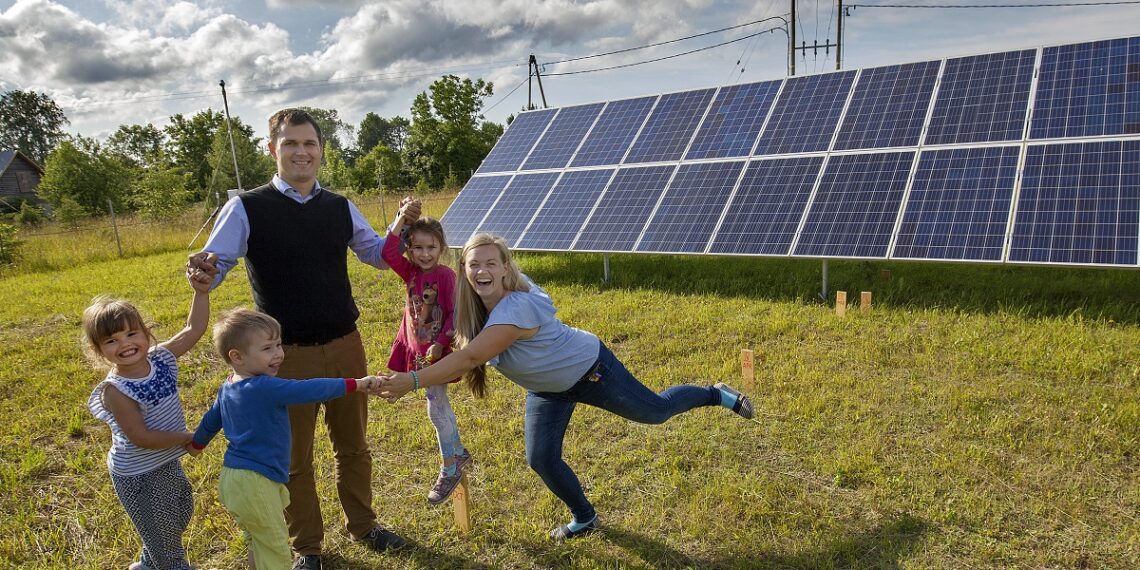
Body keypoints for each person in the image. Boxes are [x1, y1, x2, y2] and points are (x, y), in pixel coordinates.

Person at [377, 233, 755, 540]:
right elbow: (448, 329)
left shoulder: (515, 307)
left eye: (491, 263)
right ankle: (585, 517)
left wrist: (411, 381)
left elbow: (470, 357)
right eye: (474, 264)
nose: (482, 271)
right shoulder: (474, 307)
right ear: (464, 269)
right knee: (541, 458)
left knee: (656, 412)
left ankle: (716, 393)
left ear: (506, 268)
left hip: (593, 372)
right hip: (548, 391)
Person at [186, 108, 416, 570]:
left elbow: (375, 254)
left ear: (321, 151)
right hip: (281, 356)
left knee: (354, 446)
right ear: (272, 149)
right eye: (290, 143)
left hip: (345, 343)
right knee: (294, 458)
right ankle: (307, 547)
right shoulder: (246, 207)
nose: (301, 152)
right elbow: (216, 262)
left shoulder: (339, 206)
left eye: (310, 143)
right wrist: (204, 271)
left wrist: (401, 227)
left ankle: (364, 526)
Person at [187, 309, 386, 570]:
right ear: (237, 356)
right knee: (276, 549)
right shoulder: (265, 387)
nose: (278, 354)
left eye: (278, 345)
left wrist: (196, 444)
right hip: (257, 483)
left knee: (259, 542)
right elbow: (309, 389)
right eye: (267, 348)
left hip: (234, 480)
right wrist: (355, 384)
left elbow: (211, 420)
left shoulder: (228, 386)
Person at [83, 274, 210, 570]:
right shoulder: (117, 390)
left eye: (131, 334)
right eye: (112, 341)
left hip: (165, 461)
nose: (125, 344)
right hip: (138, 474)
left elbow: (194, 329)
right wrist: (186, 437)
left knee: (179, 513)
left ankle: (146, 564)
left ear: (146, 332)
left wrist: (201, 292)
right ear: (99, 351)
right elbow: (141, 436)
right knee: (166, 544)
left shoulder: (160, 359)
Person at [380, 205, 472, 505]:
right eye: (417, 247)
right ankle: (457, 451)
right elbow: (387, 253)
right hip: (418, 349)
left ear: (442, 247)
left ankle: (450, 467)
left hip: (438, 353)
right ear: (410, 248)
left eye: (431, 247)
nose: (424, 254)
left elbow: (455, 313)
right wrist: (402, 221)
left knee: (436, 406)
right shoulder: (410, 271)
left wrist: (442, 342)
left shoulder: (446, 276)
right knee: (438, 403)